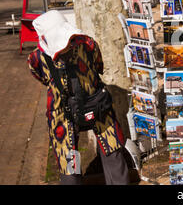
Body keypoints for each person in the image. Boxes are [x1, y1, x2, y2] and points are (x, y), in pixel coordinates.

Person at [27, 10, 129, 185]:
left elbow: (43, 78)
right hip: (64, 112)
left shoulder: (85, 44)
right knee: (69, 159)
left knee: (112, 148)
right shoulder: (85, 44)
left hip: (94, 103)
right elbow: (98, 65)